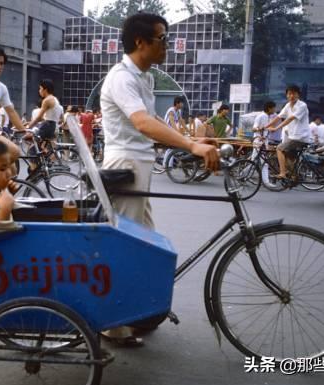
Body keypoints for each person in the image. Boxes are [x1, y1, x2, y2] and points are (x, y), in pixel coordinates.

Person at [99, 13, 219, 346]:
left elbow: (152, 120)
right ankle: (112, 325)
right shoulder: (121, 77)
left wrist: (191, 138)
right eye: (162, 38)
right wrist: (191, 144)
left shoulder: (144, 77)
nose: (167, 46)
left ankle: (140, 311)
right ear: (141, 42)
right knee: (127, 247)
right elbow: (143, 124)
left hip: (140, 164)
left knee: (146, 244)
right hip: (126, 165)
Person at [265, 84, 310, 179]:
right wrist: (266, 126)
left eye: (294, 94)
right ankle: (294, 176)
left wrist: (276, 128)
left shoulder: (302, 105)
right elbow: (279, 117)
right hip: (292, 136)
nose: (291, 96)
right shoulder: (288, 105)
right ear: (287, 95)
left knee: (279, 149)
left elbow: (290, 119)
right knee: (288, 156)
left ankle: (282, 173)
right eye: (289, 94)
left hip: (300, 137)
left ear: (298, 95)